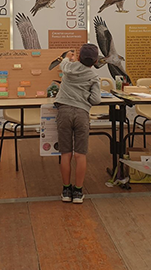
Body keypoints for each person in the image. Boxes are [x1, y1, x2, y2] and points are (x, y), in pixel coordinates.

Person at [55, 44, 101, 204]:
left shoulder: (69, 68)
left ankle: (66, 190)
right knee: (80, 154)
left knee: (65, 153)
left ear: (79, 57)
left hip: (64, 112)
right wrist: (85, 98)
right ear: (95, 61)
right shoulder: (93, 76)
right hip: (82, 114)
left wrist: (69, 57)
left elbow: (64, 64)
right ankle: (78, 192)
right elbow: (96, 99)